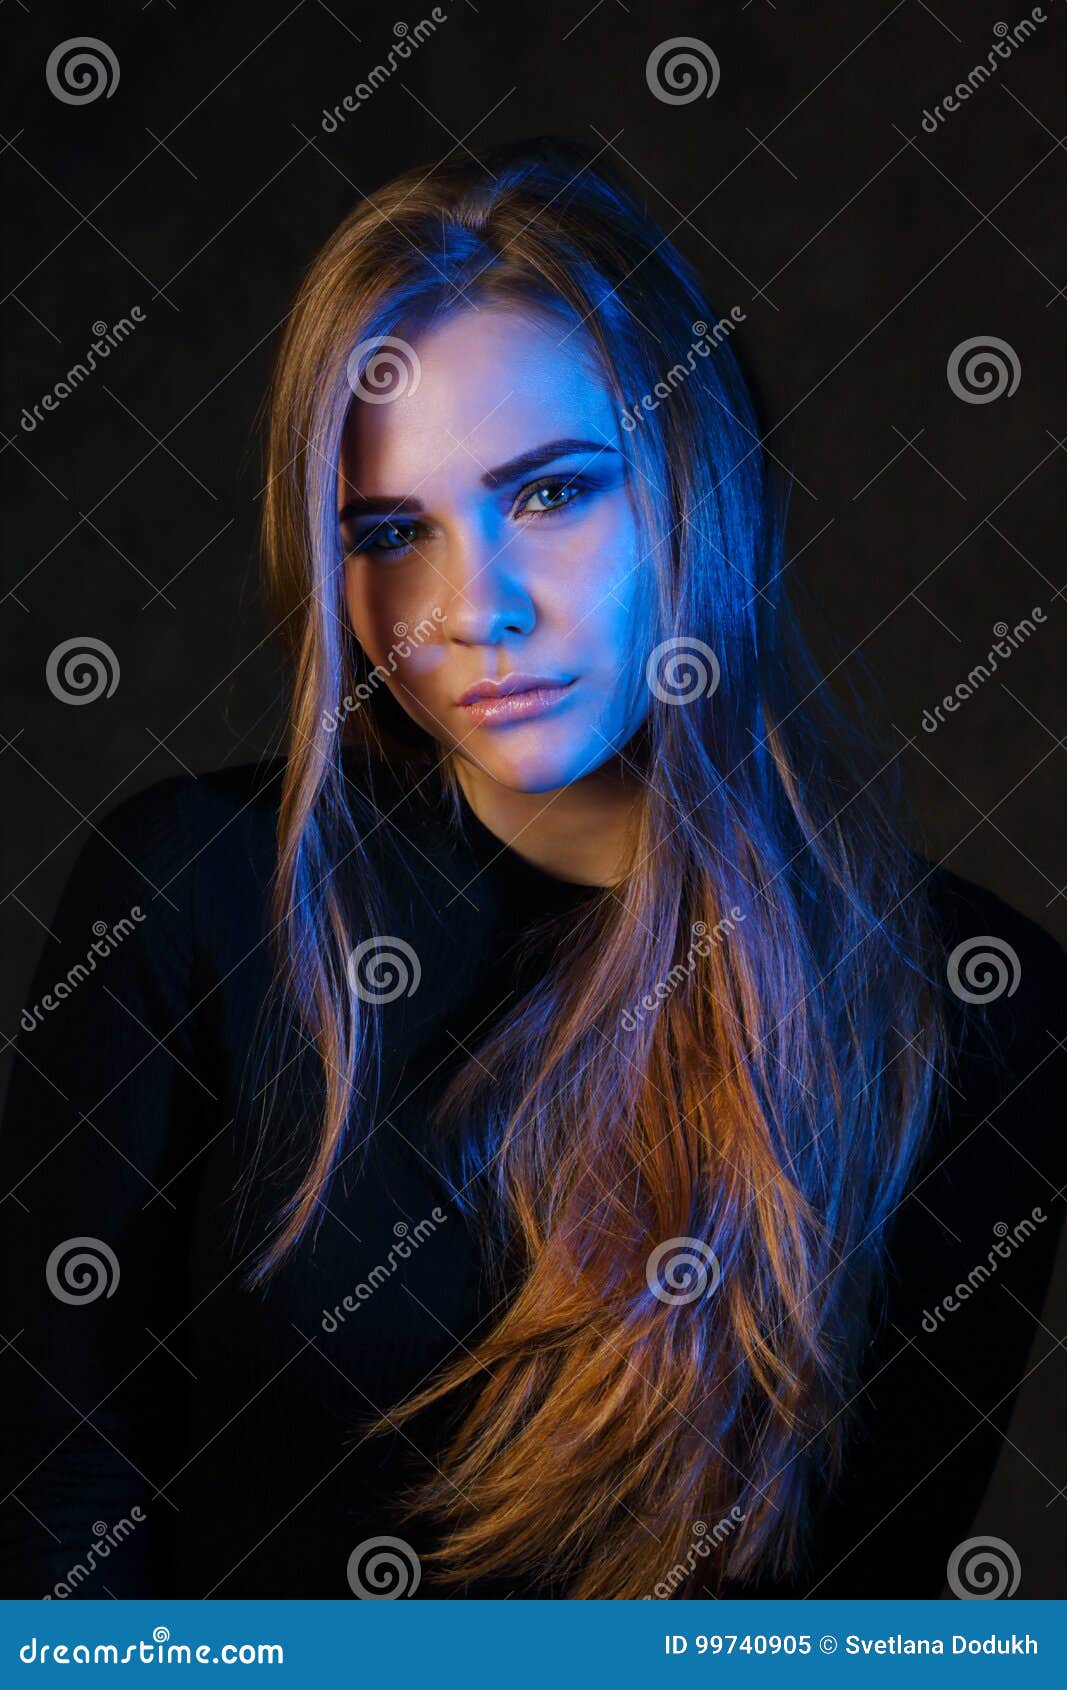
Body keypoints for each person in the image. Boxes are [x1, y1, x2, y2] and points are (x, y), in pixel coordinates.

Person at [1, 137, 1063, 1602]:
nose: (468, 611)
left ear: (701, 486)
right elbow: (54, 1513)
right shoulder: (193, 895)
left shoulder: (974, 1010)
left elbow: (858, 1618)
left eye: (552, 495)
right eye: (390, 532)